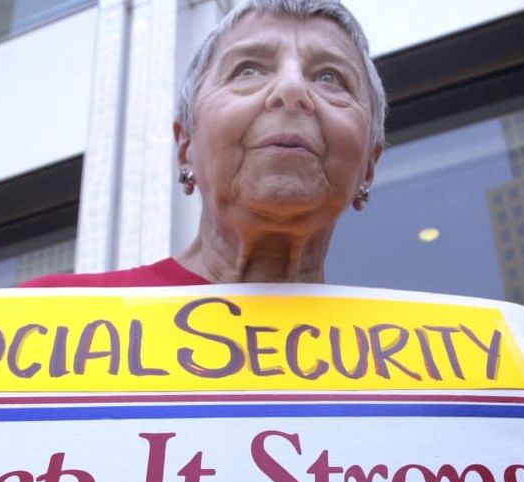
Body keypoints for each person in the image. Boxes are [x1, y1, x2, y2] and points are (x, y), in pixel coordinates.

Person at [23, 0, 384, 288]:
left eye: (330, 77)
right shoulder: (41, 326)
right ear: (186, 147)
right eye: (248, 70)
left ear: (369, 164)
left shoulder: (424, 364)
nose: (291, 89)